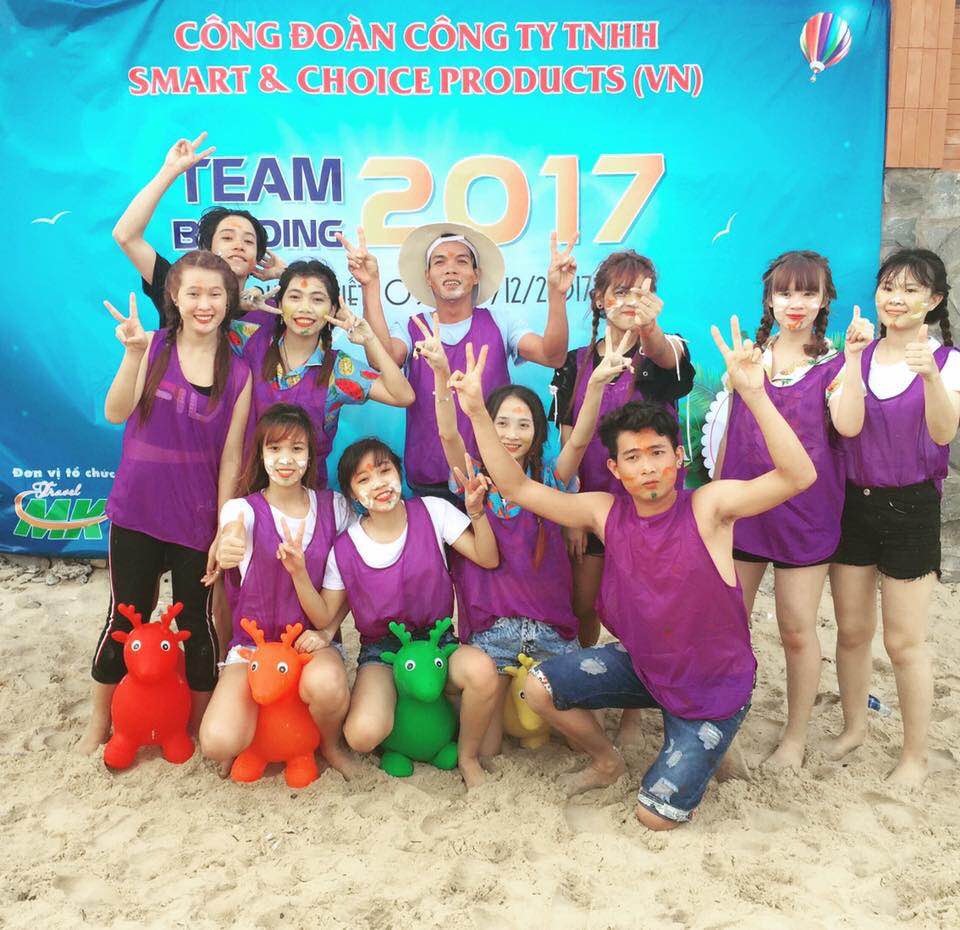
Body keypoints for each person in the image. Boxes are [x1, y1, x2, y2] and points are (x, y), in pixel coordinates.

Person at [446, 319, 816, 829]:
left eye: (657, 453)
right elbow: (518, 489)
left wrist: (755, 394)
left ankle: (712, 736)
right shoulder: (604, 512)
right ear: (615, 470)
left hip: (712, 685)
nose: (646, 467)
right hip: (645, 668)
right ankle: (607, 760)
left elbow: (799, 475)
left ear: (678, 458)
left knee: (654, 817)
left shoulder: (709, 507)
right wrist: (475, 413)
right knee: (538, 687)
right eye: (633, 457)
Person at [414, 311, 636, 755]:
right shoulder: (472, 479)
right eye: (501, 423)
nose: (511, 434)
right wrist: (440, 375)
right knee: (489, 747)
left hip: (551, 631)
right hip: (492, 632)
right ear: (486, 425)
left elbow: (579, 440)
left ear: (537, 433)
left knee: (581, 739)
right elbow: (447, 433)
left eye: (523, 424)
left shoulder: (551, 481)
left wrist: (595, 385)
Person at [77, 251, 252, 755]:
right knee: (125, 616)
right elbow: (115, 412)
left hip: (196, 519)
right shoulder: (152, 346)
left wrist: (224, 526)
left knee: (196, 624)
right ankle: (99, 721)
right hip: (137, 511)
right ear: (174, 297)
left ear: (229, 300)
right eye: (193, 293)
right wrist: (133, 353)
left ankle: (195, 724)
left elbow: (231, 457)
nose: (204, 304)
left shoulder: (239, 373)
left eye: (215, 293)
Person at [713, 250, 873, 770]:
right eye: (785, 292)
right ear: (769, 300)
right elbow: (728, 433)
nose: (795, 303)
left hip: (806, 516)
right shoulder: (748, 357)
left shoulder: (833, 365)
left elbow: (848, 426)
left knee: (797, 629)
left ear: (825, 300)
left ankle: (795, 737)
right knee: (728, 624)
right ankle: (723, 724)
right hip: (745, 510)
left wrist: (854, 360)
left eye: (808, 292)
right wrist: (717, 501)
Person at [265, 437, 501, 787]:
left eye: (384, 470)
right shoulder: (345, 547)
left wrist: (476, 512)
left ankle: (466, 757)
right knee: (362, 735)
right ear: (352, 494)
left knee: (481, 672)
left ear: (398, 473)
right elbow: (325, 614)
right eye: (363, 479)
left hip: (437, 644)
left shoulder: (433, 511)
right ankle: (405, 719)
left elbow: (487, 557)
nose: (378, 483)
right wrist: (298, 573)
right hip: (383, 653)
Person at [828, 248, 960, 786]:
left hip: (911, 509)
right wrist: (852, 360)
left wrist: (929, 376)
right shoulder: (855, 354)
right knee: (852, 630)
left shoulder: (947, 361)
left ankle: (915, 756)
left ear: (934, 300)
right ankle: (854, 727)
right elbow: (848, 427)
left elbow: (944, 433)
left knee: (904, 642)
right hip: (852, 505)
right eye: (888, 287)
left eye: (910, 290)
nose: (896, 299)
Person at [350, 223, 573, 500]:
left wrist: (557, 293)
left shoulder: (500, 322)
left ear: (476, 275)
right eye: (439, 262)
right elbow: (381, 360)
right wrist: (370, 285)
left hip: (495, 477)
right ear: (428, 277)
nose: (450, 269)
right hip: (430, 481)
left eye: (462, 261)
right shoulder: (411, 328)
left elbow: (553, 356)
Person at [199, 404, 356, 777]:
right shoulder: (242, 509)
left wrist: (327, 632)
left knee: (328, 686)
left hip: (308, 646)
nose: (286, 459)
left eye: (296, 449)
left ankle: (329, 744)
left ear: (310, 455)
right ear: (261, 454)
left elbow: (351, 582)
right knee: (218, 742)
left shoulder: (335, 507)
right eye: (275, 448)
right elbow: (232, 530)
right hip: (253, 648)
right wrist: (228, 545)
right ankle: (256, 734)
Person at [550, 250, 694, 649]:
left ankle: (642, 688)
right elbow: (567, 446)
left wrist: (650, 329)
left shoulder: (666, 351)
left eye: (641, 293)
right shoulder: (574, 364)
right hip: (593, 509)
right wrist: (572, 516)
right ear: (600, 299)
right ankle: (587, 672)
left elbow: (665, 353)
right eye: (622, 291)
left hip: (652, 512)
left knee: (648, 610)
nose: (631, 301)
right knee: (583, 606)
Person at [228, 259, 414, 486]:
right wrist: (237, 305)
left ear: (333, 310)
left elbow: (403, 396)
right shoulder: (250, 338)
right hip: (246, 488)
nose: (305, 308)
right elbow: (202, 321)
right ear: (279, 303)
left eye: (317, 300)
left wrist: (370, 339)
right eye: (295, 297)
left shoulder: (339, 369)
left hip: (307, 494)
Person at [112, 131, 284, 326]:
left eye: (249, 241)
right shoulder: (177, 285)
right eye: (227, 238)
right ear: (207, 249)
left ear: (257, 258)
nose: (239, 245)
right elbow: (126, 236)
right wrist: (170, 171)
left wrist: (285, 274)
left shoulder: (270, 311)